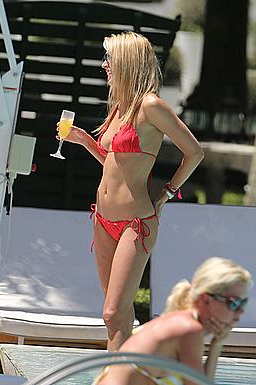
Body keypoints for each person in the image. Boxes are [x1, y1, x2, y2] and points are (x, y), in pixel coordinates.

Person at [60, 31, 204, 351]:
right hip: (103, 220)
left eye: (110, 58)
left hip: (135, 224)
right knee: (117, 317)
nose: (105, 64)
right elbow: (113, 163)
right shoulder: (119, 106)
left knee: (113, 312)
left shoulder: (151, 105)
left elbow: (194, 152)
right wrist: (85, 140)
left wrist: (167, 193)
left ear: (127, 61)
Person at [93, 256, 252, 385]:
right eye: (234, 303)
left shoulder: (182, 320)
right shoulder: (188, 329)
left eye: (243, 303)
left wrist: (217, 342)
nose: (241, 311)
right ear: (206, 300)